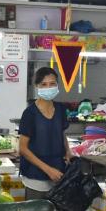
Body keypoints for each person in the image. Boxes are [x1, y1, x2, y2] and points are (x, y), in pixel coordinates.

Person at [19, 67, 72, 200]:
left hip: (58, 174)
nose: (49, 87)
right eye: (44, 84)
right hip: (36, 176)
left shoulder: (60, 109)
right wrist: (48, 170)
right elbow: (23, 149)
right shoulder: (30, 113)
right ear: (37, 86)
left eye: (52, 84)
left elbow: (61, 133)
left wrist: (68, 150)